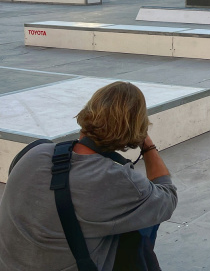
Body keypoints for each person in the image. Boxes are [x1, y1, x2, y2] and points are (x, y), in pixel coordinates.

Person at [0, 81, 177, 270]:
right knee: (142, 222)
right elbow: (167, 197)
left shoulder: (35, 152)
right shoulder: (115, 180)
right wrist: (147, 145)